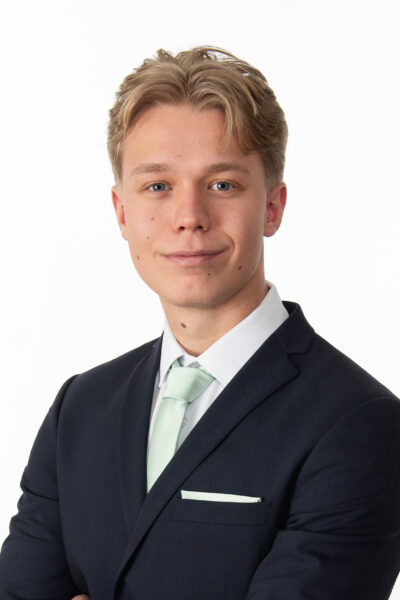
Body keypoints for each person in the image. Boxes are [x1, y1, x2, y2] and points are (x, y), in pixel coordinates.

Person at [0, 45, 399, 600]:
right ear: (122, 211)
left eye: (222, 184)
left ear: (273, 207)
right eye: (158, 186)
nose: (189, 217)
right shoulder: (80, 408)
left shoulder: (359, 423)